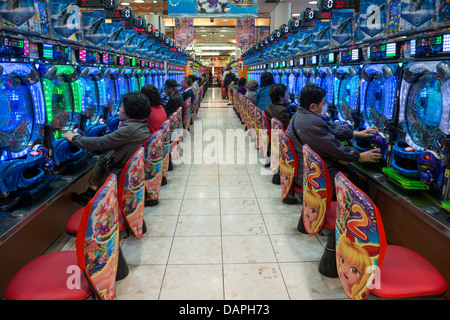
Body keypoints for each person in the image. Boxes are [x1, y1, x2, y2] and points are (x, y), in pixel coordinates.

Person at [285, 83, 382, 190]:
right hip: (313, 177)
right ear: (313, 107)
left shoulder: (302, 115)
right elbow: (333, 148)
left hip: (307, 170)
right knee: (361, 186)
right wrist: (359, 156)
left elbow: (329, 127)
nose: (326, 105)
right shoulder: (309, 122)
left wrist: (354, 133)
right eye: (323, 103)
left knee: (351, 174)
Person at [66, 92, 151, 206]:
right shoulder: (141, 123)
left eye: (121, 107)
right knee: (104, 157)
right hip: (133, 171)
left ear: (130, 112)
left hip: (121, 174)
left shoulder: (129, 129)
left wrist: (74, 138)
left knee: (104, 158)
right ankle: (91, 193)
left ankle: (92, 196)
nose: (118, 109)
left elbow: (100, 143)